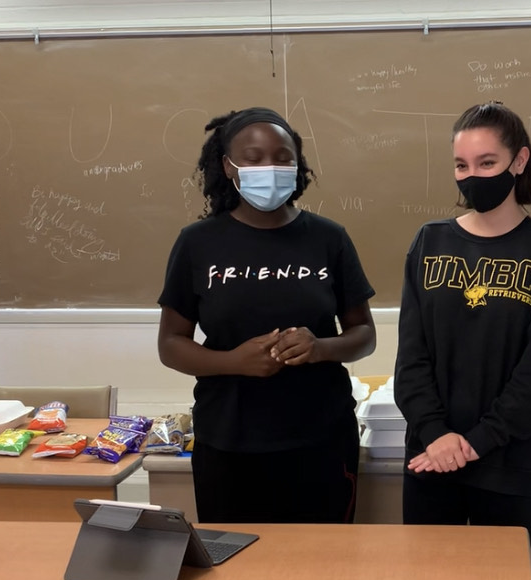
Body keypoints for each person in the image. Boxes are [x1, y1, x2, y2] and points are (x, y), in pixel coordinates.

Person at [157, 107, 376, 524]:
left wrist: (320, 347)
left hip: (322, 441)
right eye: (253, 157)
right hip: (228, 442)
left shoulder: (329, 238)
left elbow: (363, 334)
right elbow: (171, 345)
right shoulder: (197, 243)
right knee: (236, 574)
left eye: (282, 156)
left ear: (298, 164)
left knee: (323, 570)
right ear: (228, 166)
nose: (269, 167)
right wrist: (232, 362)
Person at [395, 101, 531, 543]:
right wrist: (436, 435)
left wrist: (477, 441)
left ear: (519, 161)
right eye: (461, 165)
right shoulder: (430, 241)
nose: (472, 176)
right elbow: (412, 356)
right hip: (431, 456)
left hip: (509, 463)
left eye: (487, 162)